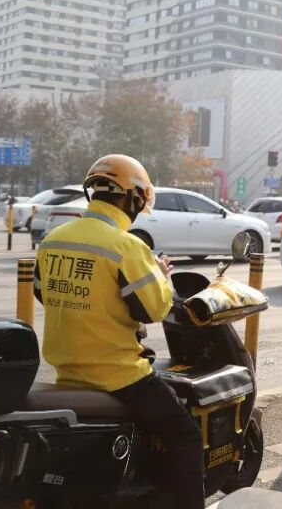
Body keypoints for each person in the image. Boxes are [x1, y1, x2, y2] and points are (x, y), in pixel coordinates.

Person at [33, 154, 203, 509]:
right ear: (133, 198)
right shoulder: (127, 246)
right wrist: (160, 276)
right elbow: (154, 309)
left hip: (66, 371)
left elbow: (44, 294)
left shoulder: (53, 241)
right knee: (185, 435)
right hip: (119, 376)